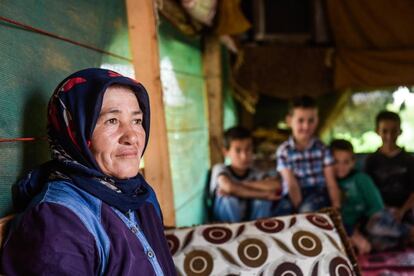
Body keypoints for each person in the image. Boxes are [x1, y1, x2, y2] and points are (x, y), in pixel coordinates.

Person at [1, 68, 176, 275]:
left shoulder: (141, 194)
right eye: (112, 121)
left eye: (137, 121)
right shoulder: (57, 222)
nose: (132, 137)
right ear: (75, 132)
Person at [331, 139, 414, 254]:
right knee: (376, 243)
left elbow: (377, 205)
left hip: (372, 220)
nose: (341, 167)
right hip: (351, 228)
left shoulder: (361, 179)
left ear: (353, 162)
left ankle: (408, 232)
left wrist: (363, 222)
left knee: (376, 227)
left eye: (346, 162)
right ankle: (402, 240)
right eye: (336, 161)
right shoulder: (329, 183)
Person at [276, 95, 341, 215]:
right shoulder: (284, 151)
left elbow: (331, 182)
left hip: (317, 193)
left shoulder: (322, 149)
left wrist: (336, 207)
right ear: (289, 121)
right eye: (300, 121)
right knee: (280, 214)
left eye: (311, 121)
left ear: (317, 120)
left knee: (308, 212)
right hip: (292, 194)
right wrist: (297, 209)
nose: (306, 126)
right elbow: (291, 184)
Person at [210, 126, 281, 223]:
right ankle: (234, 233)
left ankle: (258, 233)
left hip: (251, 221)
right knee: (229, 200)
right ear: (226, 152)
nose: (244, 156)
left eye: (248, 149)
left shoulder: (255, 171)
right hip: (226, 225)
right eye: (238, 151)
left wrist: (239, 185)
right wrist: (265, 194)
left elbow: (276, 185)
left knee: (262, 202)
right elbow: (228, 186)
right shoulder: (220, 169)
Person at [365, 111, 414, 224]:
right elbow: (368, 192)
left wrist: (402, 211)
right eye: (385, 131)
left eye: (394, 131)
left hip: (407, 210)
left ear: (400, 131)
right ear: (377, 131)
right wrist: (386, 210)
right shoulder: (371, 160)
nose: (389, 136)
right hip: (379, 210)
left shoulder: (409, 160)